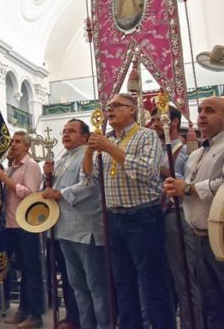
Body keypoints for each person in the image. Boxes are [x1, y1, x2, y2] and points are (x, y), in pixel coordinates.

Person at [83, 93, 173, 328]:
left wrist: (109, 147)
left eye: (116, 106)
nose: (110, 110)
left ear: (132, 110)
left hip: (143, 217)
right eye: (108, 107)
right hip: (114, 218)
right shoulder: (108, 141)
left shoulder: (146, 135)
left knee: (153, 283)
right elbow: (90, 177)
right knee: (123, 284)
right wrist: (90, 150)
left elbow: (146, 171)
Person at [42, 119, 110, 329]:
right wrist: (47, 177)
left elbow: (91, 185)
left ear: (85, 136)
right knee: (77, 286)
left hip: (86, 229)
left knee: (96, 286)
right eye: (64, 131)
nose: (65, 135)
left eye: (71, 131)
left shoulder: (90, 154)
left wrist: (60, 193)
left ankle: (104, 324)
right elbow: (51, 189)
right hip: (64, 229)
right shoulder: (62, 158)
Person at [163, 97, 224, 328]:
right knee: (211, 303)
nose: (202, 115)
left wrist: (188, 188)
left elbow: (222, 186)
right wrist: (175, 188)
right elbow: (187, 188)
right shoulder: (197, 154)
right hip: (197, 236)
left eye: (210, 110)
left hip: (220, 236)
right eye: (200, 111)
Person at [149, 105, 204, 329]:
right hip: (157, 216)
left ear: (172, 122)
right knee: (164, 278)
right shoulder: (157, 149)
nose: (154, 125)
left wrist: (157, 168)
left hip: (176, 215)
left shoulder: (183, 151)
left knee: (185, 279)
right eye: (153, 120)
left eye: (158, 120)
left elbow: (185, 181)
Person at [0, 131, 44, 328]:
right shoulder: (12, 167)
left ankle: (35, 314)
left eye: (17, 142)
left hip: (26, 225)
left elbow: (31, 194)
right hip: (10, 224)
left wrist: (7, 181)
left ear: (27, 146)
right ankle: (23, 309)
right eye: (12, 141)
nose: (13, 145)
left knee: (31, 270)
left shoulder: (30, 166)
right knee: (20, 269)